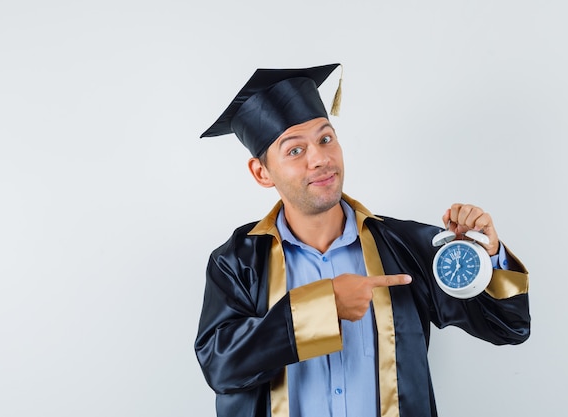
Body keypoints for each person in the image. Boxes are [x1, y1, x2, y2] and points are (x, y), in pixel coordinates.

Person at [195, 63, 530, 417]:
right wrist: (323, 309)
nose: (320, 159)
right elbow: (221, 367)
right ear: (262, 172)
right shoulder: (238, 261)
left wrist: (487, 257)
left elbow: (508, 327)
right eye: (295, 151)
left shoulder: (406, 247)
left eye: (326, 139)